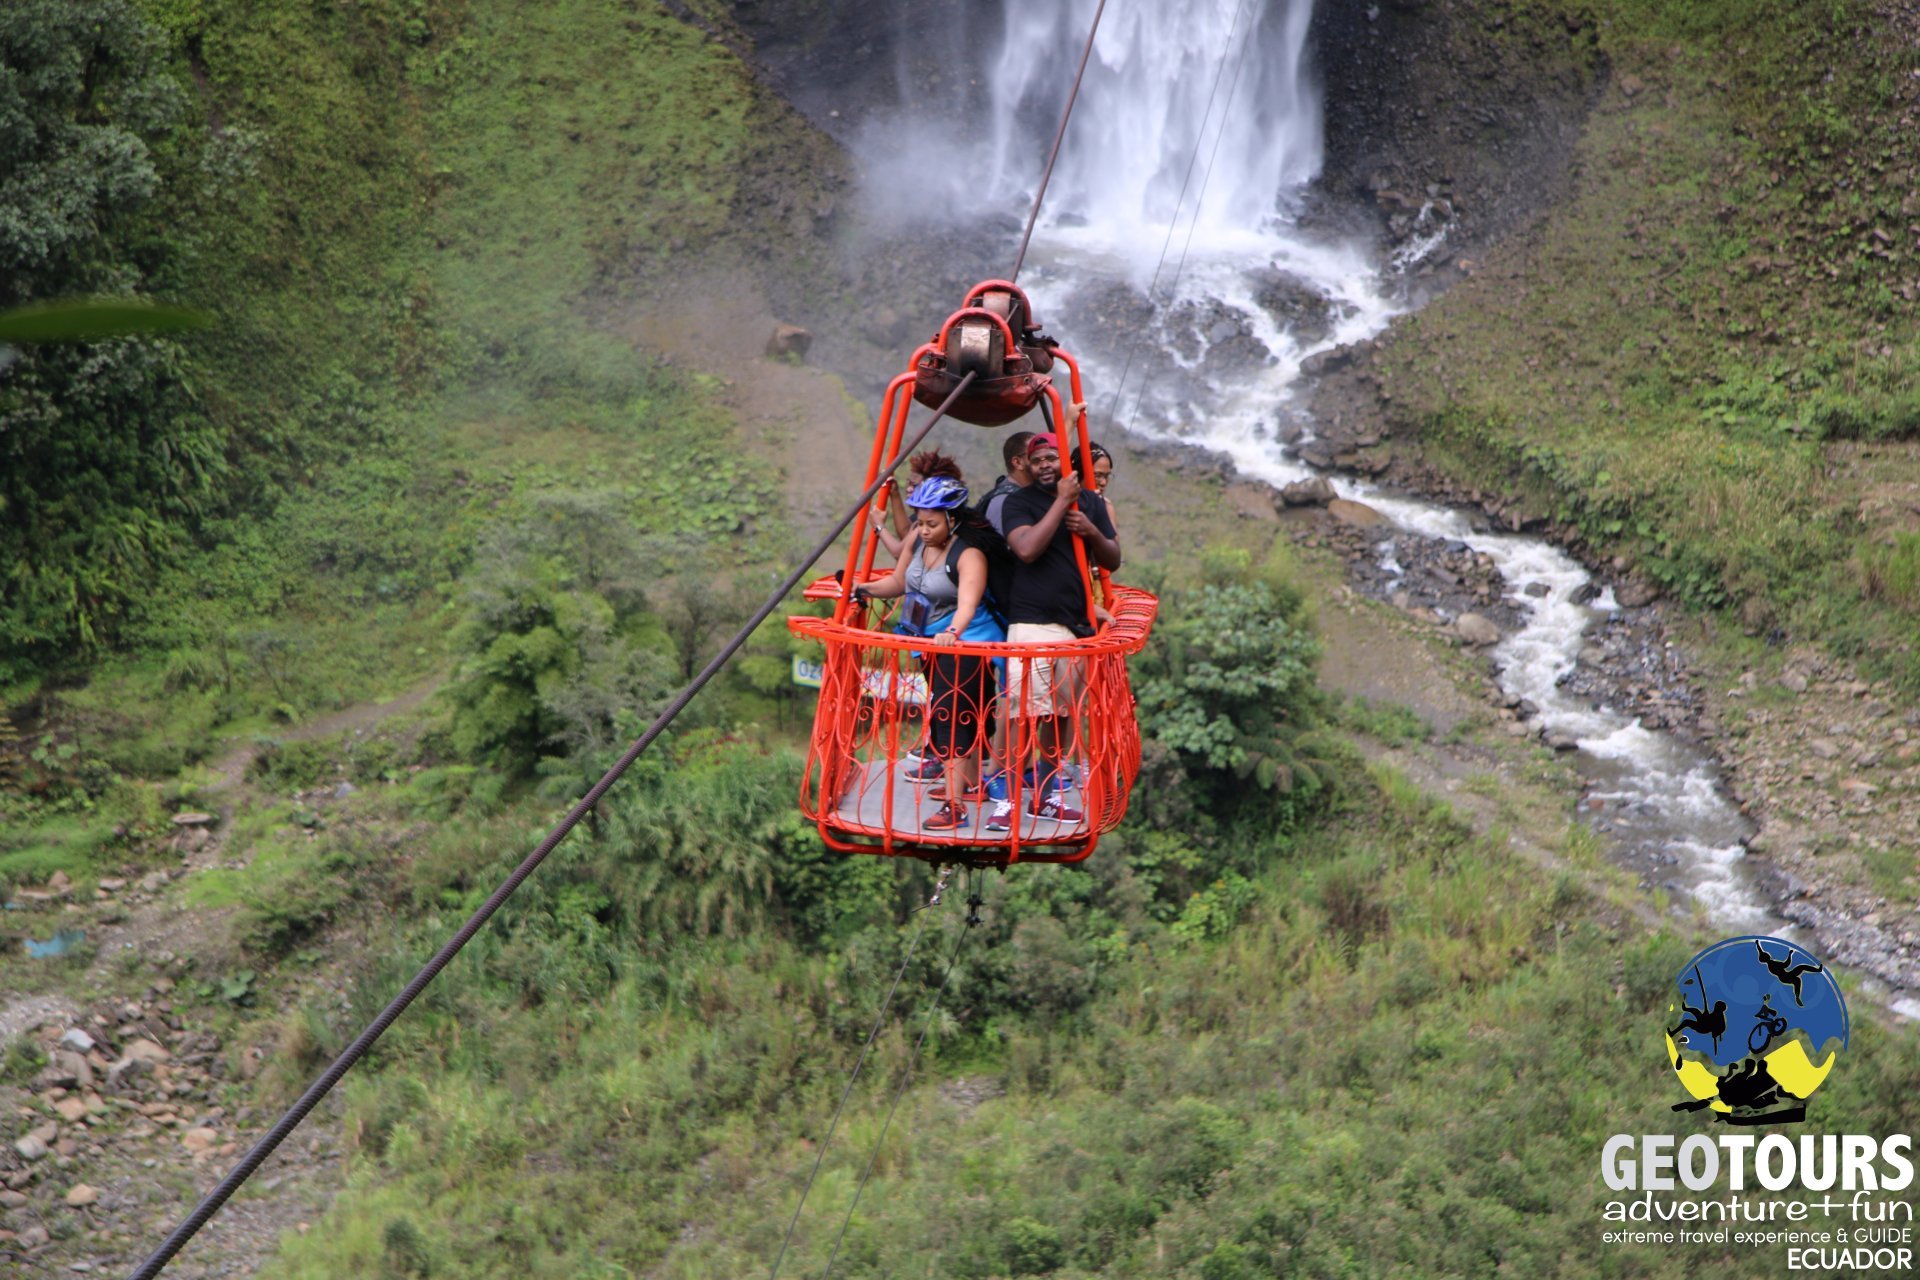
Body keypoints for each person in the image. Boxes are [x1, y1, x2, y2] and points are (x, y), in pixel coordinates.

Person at [854, 474, 1005, 831]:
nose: (922, 530)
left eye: (931, 524)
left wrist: (954, 631)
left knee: (952, 718)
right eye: (920, 522)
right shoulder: (920, 547)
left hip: (968, 644)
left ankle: (956, 807)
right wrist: (863, 588)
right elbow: (899, 583)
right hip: (931, 643)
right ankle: (965, 785)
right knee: (954, 715)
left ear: (952, 519)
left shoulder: (968, 554)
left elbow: (968, 602)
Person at [989, 433, 1120, 829]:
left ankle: (1044, 796)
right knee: (1020, 714)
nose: (1046, 464)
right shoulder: (1018, 503)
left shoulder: (1091, 503)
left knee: (1058, 716)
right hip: (1030, 622)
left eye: (1053, 458)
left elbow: (1113, 557)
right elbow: (1026, 548)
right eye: (1039, 459)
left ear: (1066, 463)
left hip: (1074, 625)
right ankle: (1007, 798)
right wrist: (1062, 501)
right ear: (1026, 465)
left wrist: (1091, 530)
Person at [978, 430, 1035, 534]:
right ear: (1017, 462)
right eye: (1034, 455)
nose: (1043, 462)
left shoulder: (1029, 493)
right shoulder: (1004, 501)